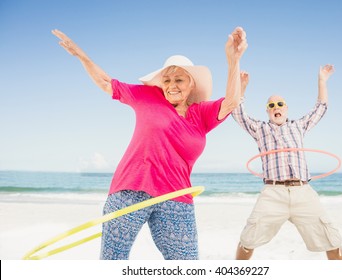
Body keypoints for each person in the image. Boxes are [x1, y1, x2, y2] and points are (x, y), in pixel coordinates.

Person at [52, 27, 247, 260]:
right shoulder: (148, 96)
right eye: (167, 80)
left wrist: (233, 59)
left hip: (177, 198)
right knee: (113, 261)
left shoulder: (201, 114)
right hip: (130, 191)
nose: (172, 85)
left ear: (192, 84)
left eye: (179, 79)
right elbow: (106, 83)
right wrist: (81, 55)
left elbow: (232, 101)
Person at [232, 65, 342, 260]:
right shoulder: (260, 129)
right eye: (271, 105)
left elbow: (321, 108)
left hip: (303, 191)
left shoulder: (299, 126)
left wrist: (322, 81)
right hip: (273, 193)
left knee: (333, 242)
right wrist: (242, 88)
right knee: (247, 241)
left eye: (279, 104)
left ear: (286, 108)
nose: (276, 107)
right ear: (267, 111)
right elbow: (237, 112)